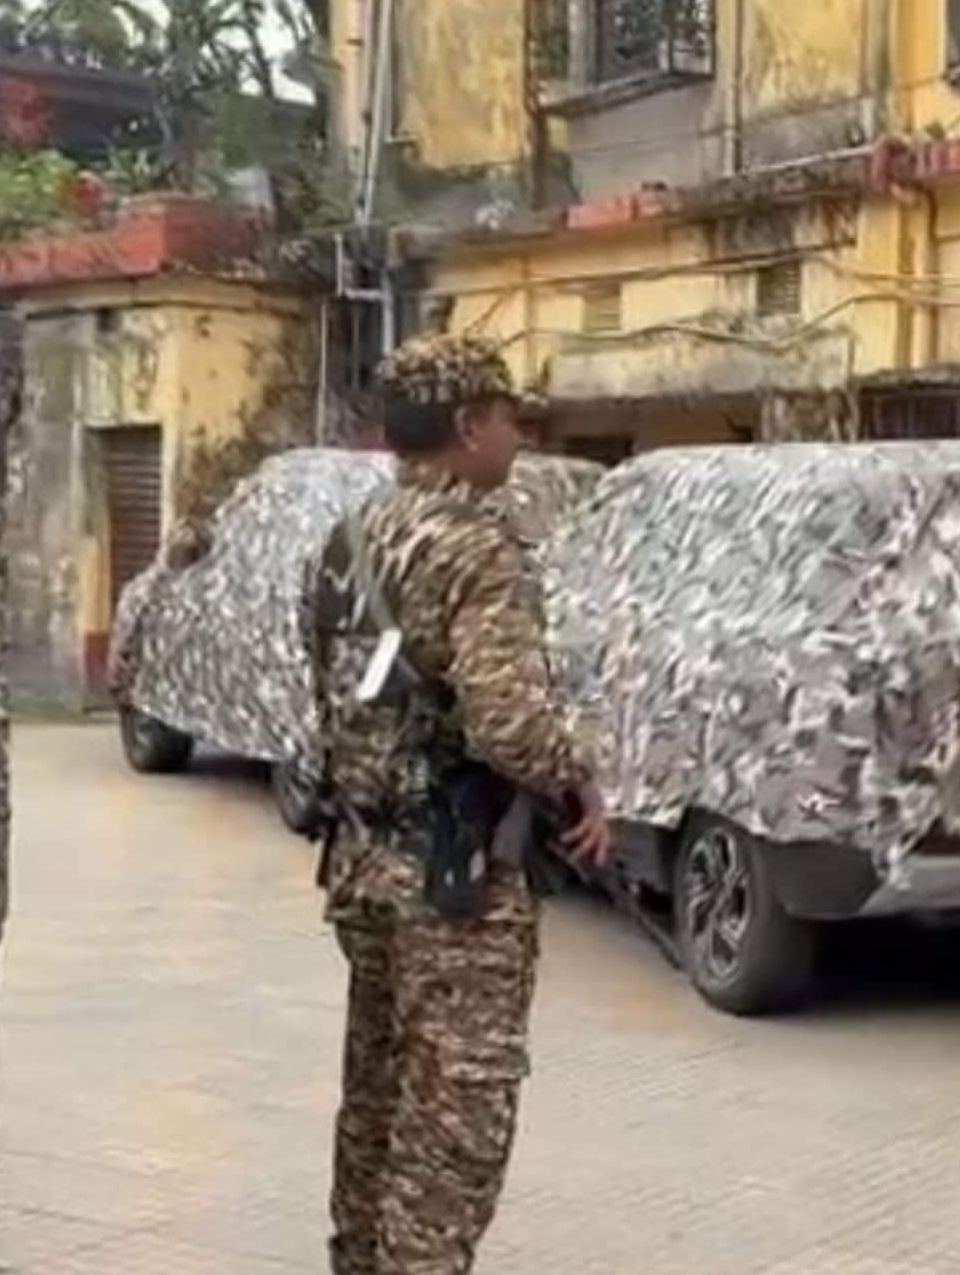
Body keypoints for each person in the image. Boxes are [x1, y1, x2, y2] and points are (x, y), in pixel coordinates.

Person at [302, 332, 608, 1275]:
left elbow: (328, 701)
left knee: (380, 1098)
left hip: (364, 864)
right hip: (455, 882)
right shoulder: (476, 547)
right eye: (511, 416)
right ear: (470, 424)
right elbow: (507, 724)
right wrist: (580, 774)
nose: (519, 435)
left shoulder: (348, 540)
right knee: (453, 1129)